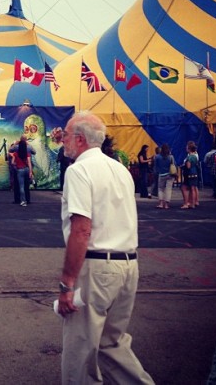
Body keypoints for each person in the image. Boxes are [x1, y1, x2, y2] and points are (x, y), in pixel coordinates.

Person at [58, 111, 154, 385]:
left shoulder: (79, 170)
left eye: (65, 134)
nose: (62, 139)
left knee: (79, 350)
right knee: (112, 345)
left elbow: (81, 229)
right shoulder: (119, 169)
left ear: (79, 140)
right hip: (128, 265)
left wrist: (67, 284)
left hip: (97, 267)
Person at [9, 137, 35, 204]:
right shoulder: (28, 148)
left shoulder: (16, 148)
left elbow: (10, 150)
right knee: (26, 185)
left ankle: (19, 200)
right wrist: (30, 171)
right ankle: (28, 200)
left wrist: (15, 144)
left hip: (18, 169)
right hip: (27, 168)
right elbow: (34, 152)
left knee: (19, 186)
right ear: (26, 140)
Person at [154, 143, 175, 209]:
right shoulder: (171, 157)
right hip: (170, 174)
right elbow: (174, 165)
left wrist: (156, 172)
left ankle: (161, 203)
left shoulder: (157, 157)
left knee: (160, 189)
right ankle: (166, 204)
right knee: (168, 189)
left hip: (161, 174)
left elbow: (155, 166)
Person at [181, 141, 199, 209]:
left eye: (187, 148)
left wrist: (184, 166)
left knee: (184, 188)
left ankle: (186, 203)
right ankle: (193, 204)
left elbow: (188, 166)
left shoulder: (189, 157)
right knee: (193, 189)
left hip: (189, 174)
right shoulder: (195, 156)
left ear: (189, 149)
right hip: (195, 173)